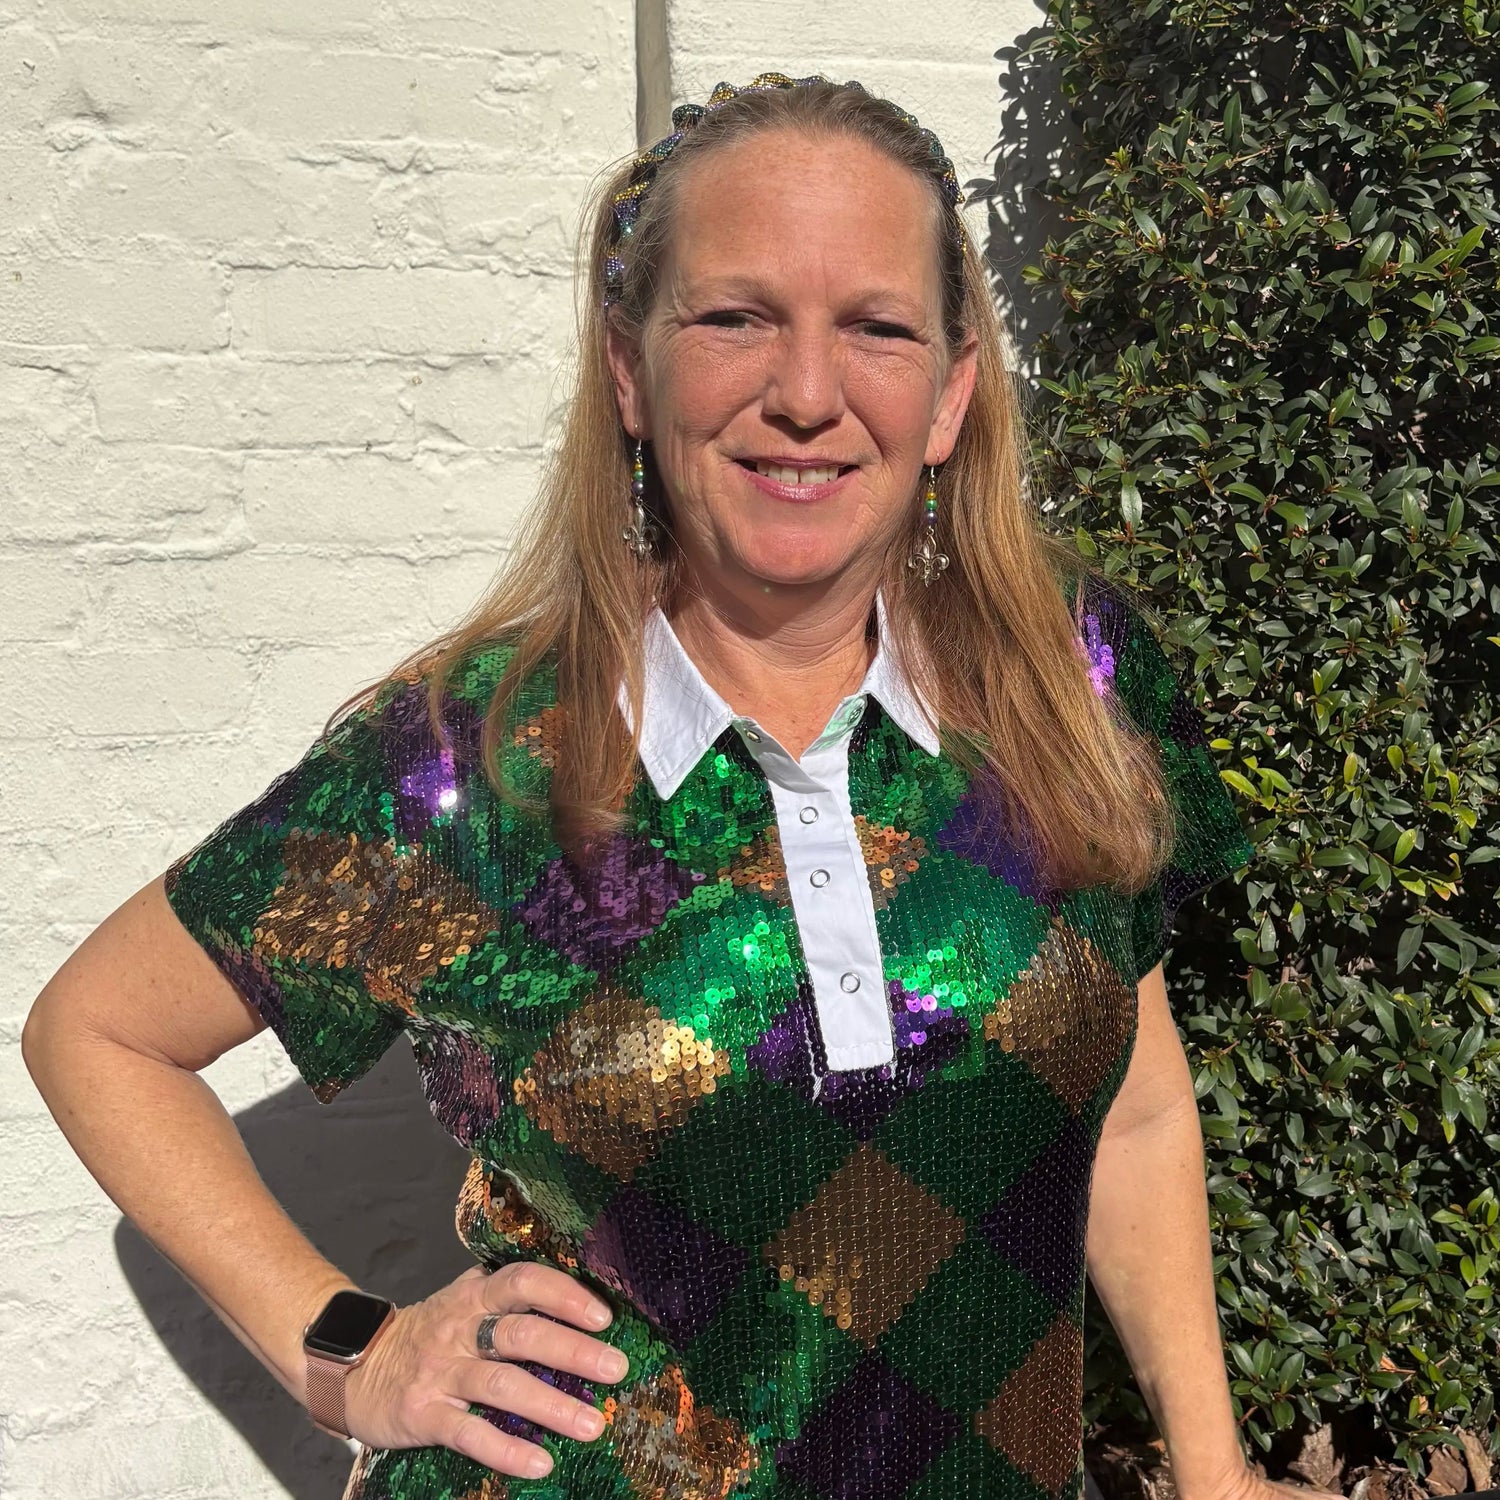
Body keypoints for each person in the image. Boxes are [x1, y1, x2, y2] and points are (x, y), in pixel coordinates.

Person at [21, 71, 1334, 1500]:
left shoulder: (1066, 681)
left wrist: (1213, 1470)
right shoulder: (469, 759)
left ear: (952, 392)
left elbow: (1134, 1109)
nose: (807, 396)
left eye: (876, 329)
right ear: (632, 371)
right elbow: (97, 1031)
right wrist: (351, 1350)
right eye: (735, 318)